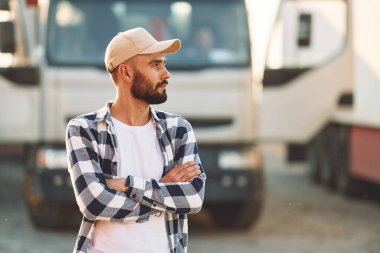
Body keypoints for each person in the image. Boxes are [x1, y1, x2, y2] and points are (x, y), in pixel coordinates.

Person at [65, 27, 206, 253]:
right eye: (155, 65)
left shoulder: (178, 130)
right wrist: (165, 190)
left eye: (164, 64)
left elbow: (192, 199)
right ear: (126, 73)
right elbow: (94, 204)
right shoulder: (84, 129)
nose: (166, 74)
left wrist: (127, 185)